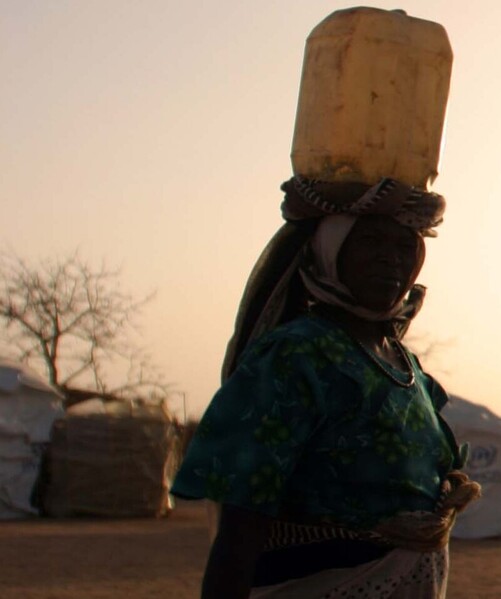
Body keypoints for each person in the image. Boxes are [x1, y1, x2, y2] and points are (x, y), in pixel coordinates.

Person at [171, 177, 480, 599]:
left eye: (404, 246)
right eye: (370, 242)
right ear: (330, 250)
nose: (391, 260)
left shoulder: (406, 366)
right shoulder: (295, 357)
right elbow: (240, 527)